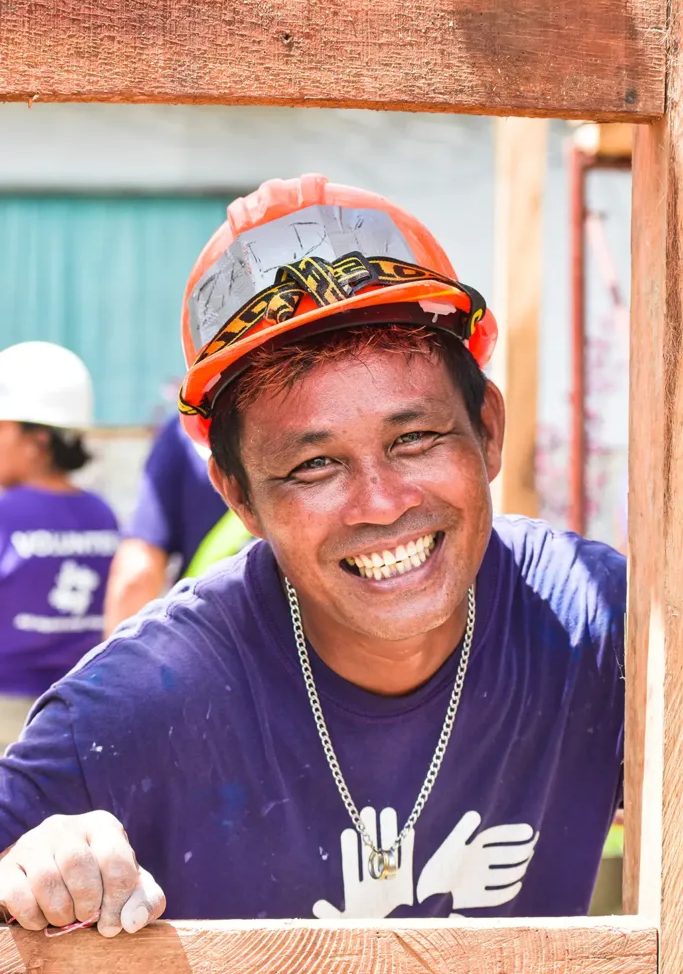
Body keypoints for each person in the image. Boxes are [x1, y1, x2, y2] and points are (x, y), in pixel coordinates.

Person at [0, 175, 624, 937]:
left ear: (486, 429)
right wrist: (33, 868)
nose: (382, 503)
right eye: (312, 466)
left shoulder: (596, 628)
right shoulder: (140, 704)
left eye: (414, 438)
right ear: (237, 495)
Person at [0, 342, 119, 754]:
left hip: (8, 711)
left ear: (37, 438)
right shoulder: (102, 513)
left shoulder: (6, 512)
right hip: (78, 709)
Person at [103, 415, 250, 636]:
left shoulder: (186, 434)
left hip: (211, 642)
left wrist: (115, 665)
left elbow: (137, 574)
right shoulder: (312, 415)